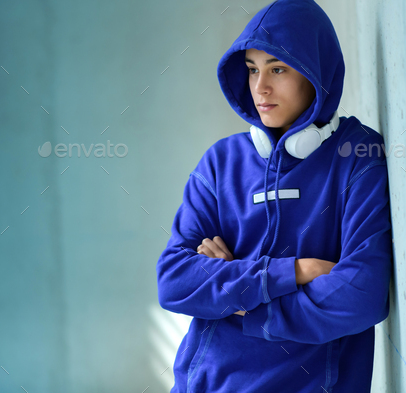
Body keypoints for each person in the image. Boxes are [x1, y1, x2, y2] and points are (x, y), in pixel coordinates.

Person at [156, 0, 393, 391]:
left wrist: (238, 302)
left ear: (317, 75)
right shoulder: (221, 162)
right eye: (252, 70)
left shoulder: (357, 156)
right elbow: (175, 281)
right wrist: (294, 272)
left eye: (277, 69)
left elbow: (360, 295)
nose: (260, 88)